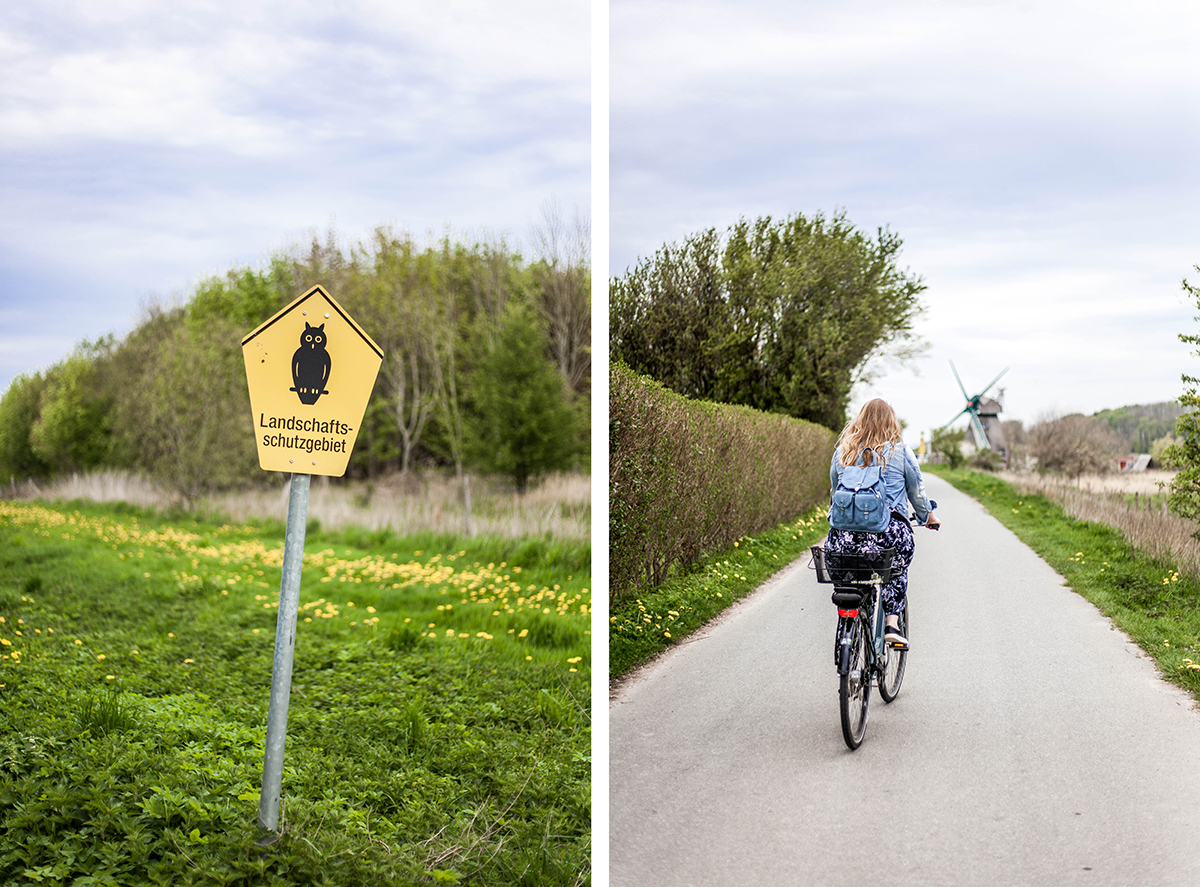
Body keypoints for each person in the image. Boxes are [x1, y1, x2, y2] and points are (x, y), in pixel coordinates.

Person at [824, 398, 940, 649]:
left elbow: (835, 494)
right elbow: (917, 493)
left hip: (844, 536)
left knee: (844, 560)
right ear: (892, 422)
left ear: (859, 420)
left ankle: (848, 611)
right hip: (887, 534)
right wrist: (927, 516)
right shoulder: (900, 451)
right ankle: (891, 623)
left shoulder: (843, 451)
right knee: (897, 565)